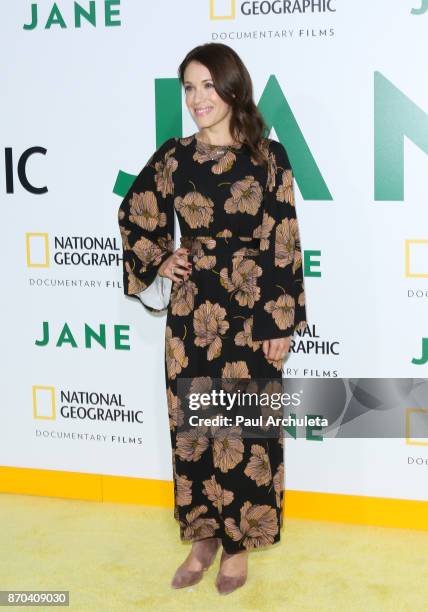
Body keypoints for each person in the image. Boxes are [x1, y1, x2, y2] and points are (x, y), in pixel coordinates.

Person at [117, 42, 308, 595]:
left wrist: (279, 324)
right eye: (189, 88)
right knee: (194, 427)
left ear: (232, 88)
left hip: (252, 310)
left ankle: (238, 543)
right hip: (192, 310)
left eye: (207, 86)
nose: (198, 99)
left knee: (245, 429)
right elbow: (135, 211)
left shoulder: (270, 158)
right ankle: (202, 536)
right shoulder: (174, 157)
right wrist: (160, 257)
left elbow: (284, 240)